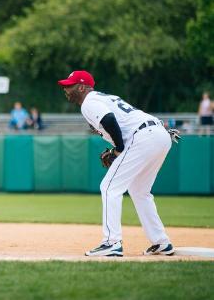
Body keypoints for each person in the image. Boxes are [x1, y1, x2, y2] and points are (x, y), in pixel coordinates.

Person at [58, 70, 176, 257]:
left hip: (143, 137)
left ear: (81, 87)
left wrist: (119, 149)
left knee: (109, 187)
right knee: (139, 191)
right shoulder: (104, 98)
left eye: (69, 85)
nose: (65, 89)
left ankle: (111, 243)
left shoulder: (89, 102)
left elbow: (109, 120)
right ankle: (161, 242)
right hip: (158, 134)